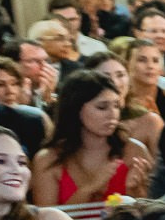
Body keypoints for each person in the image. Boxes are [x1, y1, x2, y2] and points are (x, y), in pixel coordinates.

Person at [29, 69, 154, 209]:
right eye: (102, 107)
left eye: (117, 106)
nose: (113, 114)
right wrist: (90, 188)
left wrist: (137, 192)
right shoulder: (48, 159)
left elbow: (153, 218)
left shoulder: (135, 152)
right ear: (75, 109)